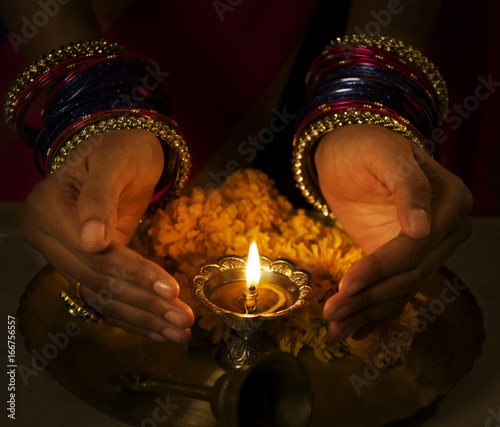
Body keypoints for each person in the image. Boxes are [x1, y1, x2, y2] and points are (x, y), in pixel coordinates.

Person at [0, 0, 472, 345]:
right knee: (81, 241)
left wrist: (369, 109)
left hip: (309, 43)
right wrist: (92, 113)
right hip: (83, 39)